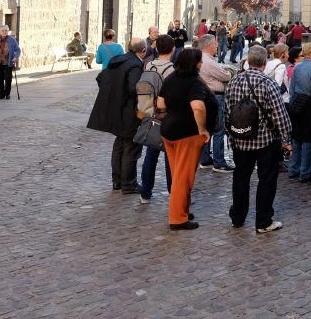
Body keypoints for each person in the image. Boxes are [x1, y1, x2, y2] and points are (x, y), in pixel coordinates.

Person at [225, 46, 293, 233]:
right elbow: (280, 115)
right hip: (264, 140)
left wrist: (230, 136)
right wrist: (286, 137)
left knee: (240, 178)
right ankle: (263, 220)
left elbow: (227, 111)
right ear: (264, 63)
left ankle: (237, 217)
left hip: (240, 138)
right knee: (266, 179)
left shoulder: (234, 81)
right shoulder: (268, 83)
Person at [155, 48, 218, 230]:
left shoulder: (170, 78)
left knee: (177, 174)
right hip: (187, 133)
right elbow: (198, 107)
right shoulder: (194, 83)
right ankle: (177, 218)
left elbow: (160, 104)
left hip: (169, 131)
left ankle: (181, 209)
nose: (201, 64)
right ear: (195, 63)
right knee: (184, 177)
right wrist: (202, 129)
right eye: (200, 61)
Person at [87, 38, 148, 194]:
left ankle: (117, 181)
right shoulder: (134, 64)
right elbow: (134, 88)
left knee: (120, 145)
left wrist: (113, 94)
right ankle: (128, 184)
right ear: (143, 51)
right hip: (128, 112)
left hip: (117, 110)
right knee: (131, 147)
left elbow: (101, 78)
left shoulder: (118, 60)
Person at [139, 34, 175, 203]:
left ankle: (145, 192)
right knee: (170, 156)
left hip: (149, 113)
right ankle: (172, 192)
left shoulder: (148, 65)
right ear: (173, 49)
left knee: (150, 155)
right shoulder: (171, 70)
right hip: (166, 116)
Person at [196, 35, 235, 173]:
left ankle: (205, 159)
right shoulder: (208, 61)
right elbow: (226, 76)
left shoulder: (201, 58)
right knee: (219, 129)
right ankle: (219, 162)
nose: (217, 45)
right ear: (209, 46)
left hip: (206, 96)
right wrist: (228, 71)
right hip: (215, 97)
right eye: (215, 43)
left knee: (207, 128)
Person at [287, 42, 311, 183]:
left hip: (296, 105)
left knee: (296, 138)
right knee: (308, 140)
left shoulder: (298, 67)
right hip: (309, 107)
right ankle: (305, 171)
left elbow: (292, 88)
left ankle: (294, 168)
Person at [0, 25, 21, 100]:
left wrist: (15, 57)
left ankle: (7, 93)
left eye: (6, 31)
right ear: (0, 32)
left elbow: (18, 50)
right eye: (3, 31)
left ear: (8, 31)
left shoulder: (12, 40)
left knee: (8, 78)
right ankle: (1, 93)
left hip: (8, 62)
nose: (4, 32)